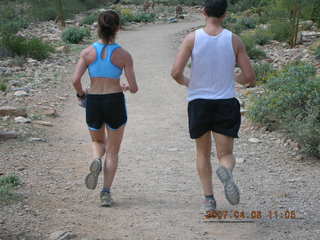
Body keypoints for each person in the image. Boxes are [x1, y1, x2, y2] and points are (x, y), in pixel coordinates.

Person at [171, 0, 255, 214]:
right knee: (225, 154)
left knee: (202, 152)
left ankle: (209, 199)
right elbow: (249, 77)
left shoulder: (192, 38)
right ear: (225, 15)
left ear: (204, 12)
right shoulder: (234, 40)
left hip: (199, 102)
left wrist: (189, 82)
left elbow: (175, 72)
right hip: (226, 102)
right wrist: (232, 77)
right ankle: (225, 170)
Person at [72, 10, 138, 207]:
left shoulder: (87, 53)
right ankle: (106, 192)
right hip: (114, 101)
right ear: (118, 28)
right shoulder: (123, 55)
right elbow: (134, 88)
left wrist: (82, 95)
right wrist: (125, 86)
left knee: (98, 141)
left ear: (98, 27)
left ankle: (96, 159)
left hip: (93, 101)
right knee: (113, 151)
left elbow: (75, 80)